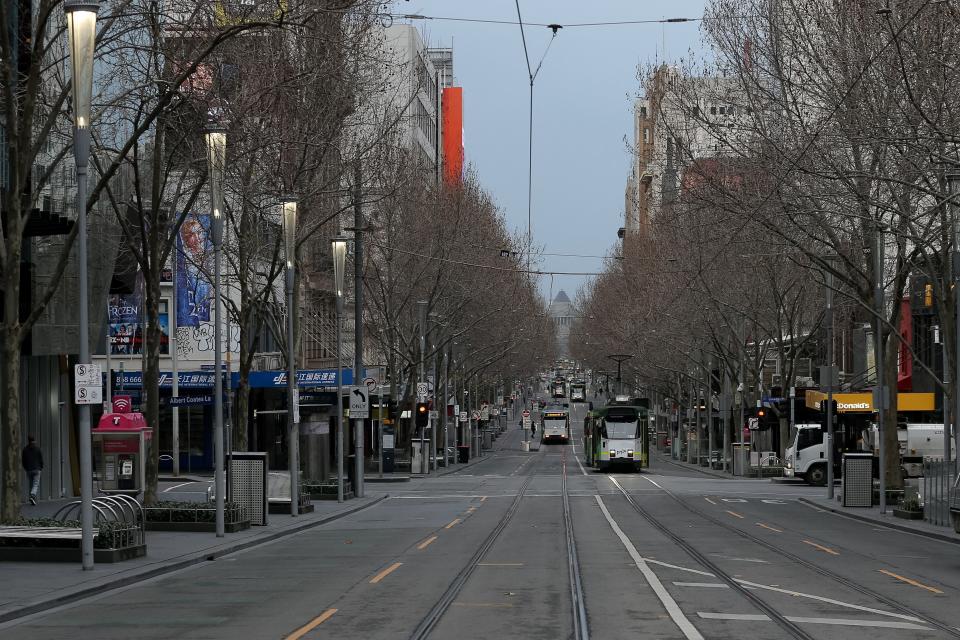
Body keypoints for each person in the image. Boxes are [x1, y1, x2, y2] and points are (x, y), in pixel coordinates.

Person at [22, 436, 43, 505]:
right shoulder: (37, 449)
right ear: (34, 441)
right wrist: (41, 467)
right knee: (35, 484)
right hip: (37, 469)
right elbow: (41, 459)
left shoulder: (25, 449)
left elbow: (23, 461)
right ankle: (33, 496)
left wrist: (26, 468)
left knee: (31, 485)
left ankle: (32, 499)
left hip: (29, 470)